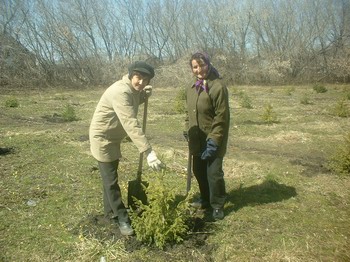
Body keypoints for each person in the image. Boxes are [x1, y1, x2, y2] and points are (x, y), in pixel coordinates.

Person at [89, 61, 164, 236]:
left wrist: (144, 96)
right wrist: (148, 151)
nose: (141, 83)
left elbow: (134, 100)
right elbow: (130, 122)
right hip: (102, 139)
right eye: (138, 78)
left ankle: (110, 212)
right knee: (111, 181)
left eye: (146, 80)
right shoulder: (120, 91)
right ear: (131, 75)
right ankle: (122, 218)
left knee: (110, 178)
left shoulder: (132, 90)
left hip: (113, 138)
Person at [185, 52, 230, 221]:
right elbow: (188, 112)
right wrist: (186, 129)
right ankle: (205, 198)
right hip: (197, 138)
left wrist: (214, 140)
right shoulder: (191, 88)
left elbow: (221, 116)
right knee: (198, 170)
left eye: (202, 65)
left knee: (214, 173)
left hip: (213, 139)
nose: (199, 69)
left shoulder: (217, 87)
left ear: (208, 65)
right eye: (195, 67)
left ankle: (217, 204)